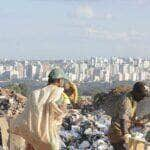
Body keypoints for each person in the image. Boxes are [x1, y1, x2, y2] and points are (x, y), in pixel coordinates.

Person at [10, 68, 70, 150]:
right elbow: (61, 113)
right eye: (63, 81)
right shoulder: (59, 94)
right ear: (59, 80)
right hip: (49, 138)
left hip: (32, 136)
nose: (63, 83)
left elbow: (27, 114)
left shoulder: (35, 94)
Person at [108, 81, 150, 150]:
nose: (143, 98)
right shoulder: (126, 101)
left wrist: (141, 122)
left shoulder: (133, 100)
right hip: (118, 134)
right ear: (136, 93)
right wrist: (126, 135)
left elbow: (129, 118)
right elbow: (123, 119)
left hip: (123, 132)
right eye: (142, 96)